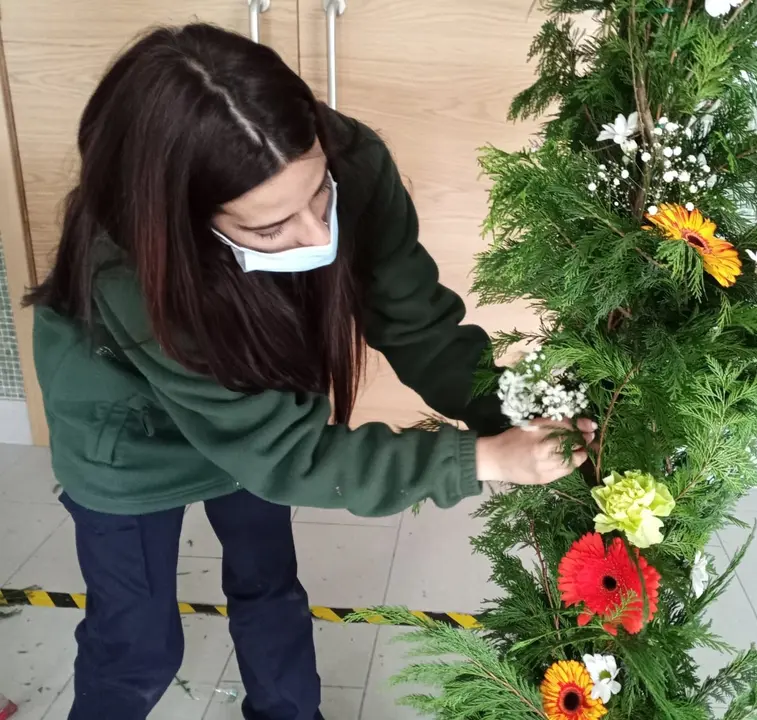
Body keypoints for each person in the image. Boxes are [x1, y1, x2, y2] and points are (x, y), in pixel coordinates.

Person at [25, 23, 594, 720]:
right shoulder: (135, 274)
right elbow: (288, 457)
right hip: (128, 439)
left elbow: (417, 326)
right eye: (269, 229)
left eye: (318, 195)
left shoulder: (350, 160)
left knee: (269, 589)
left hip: (258, 398)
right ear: (179, 223)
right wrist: (480, 460)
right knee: (136, 643)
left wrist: (513, 414)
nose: (315, 235)